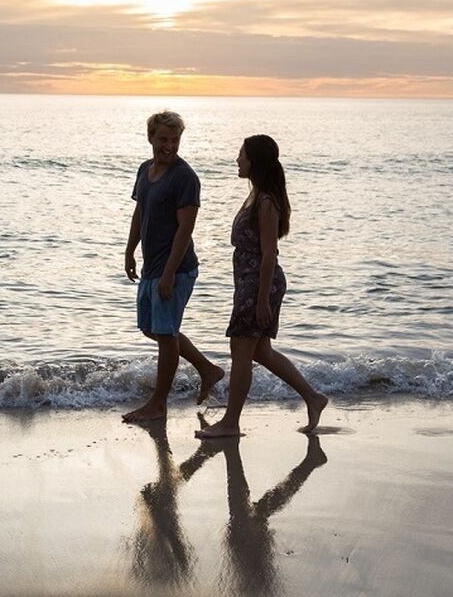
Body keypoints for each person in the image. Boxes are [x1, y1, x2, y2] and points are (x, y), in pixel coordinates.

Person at [196, 134, 327, 438]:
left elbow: (269, 253)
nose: (237, 159)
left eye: (241, 154)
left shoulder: (266, 201)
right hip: (250, 283)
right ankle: (313, 397)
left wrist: (261, 300)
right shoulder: (256, 195)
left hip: (259, 285)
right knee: (261, 352)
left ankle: (231, 422)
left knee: (240, 351)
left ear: (255, 160)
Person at [123, 111, 224, 423]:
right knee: (152, 329)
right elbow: (141, 212)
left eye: (175, 140)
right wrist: (130, 250)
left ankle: (158, 404)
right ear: (151, 137)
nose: (169, 146)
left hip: (176, 269)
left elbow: (185, 231)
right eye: (163, 139)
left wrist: (169, 273)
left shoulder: (185, 177)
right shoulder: (144, 170)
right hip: (152, 266)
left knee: (166, 335)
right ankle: (208, 369)